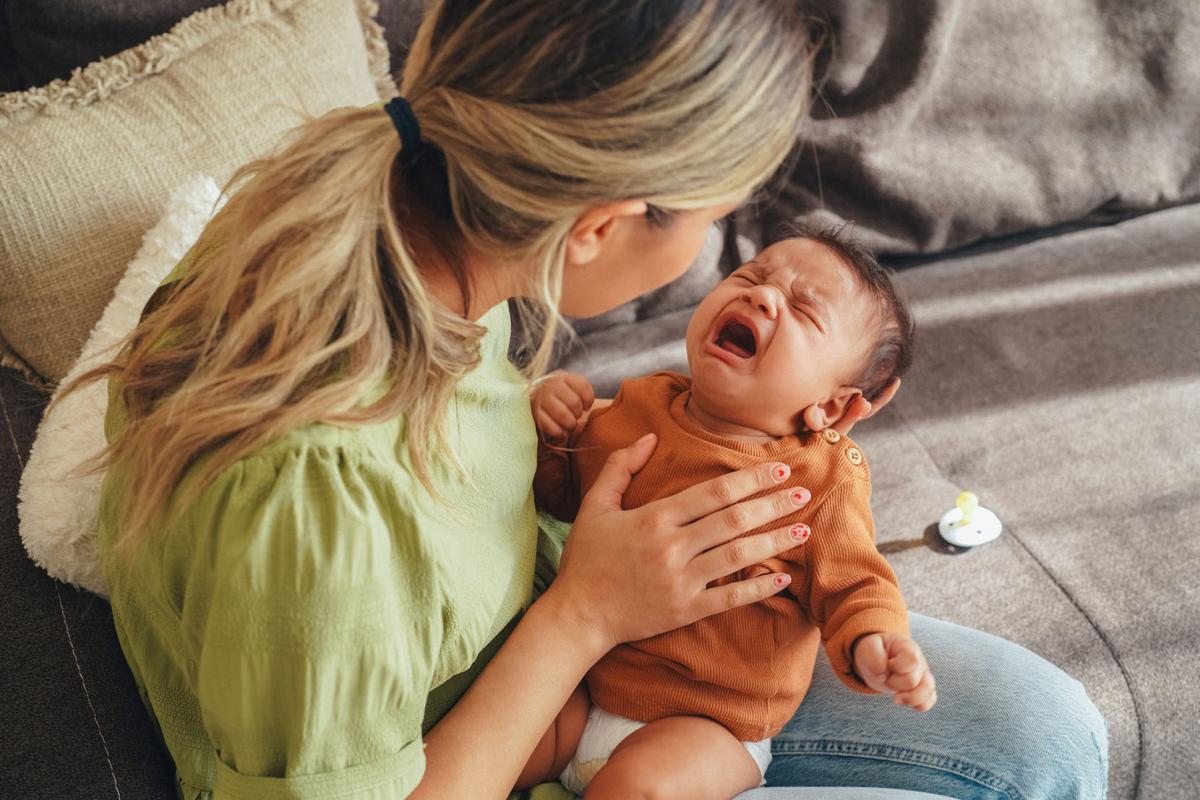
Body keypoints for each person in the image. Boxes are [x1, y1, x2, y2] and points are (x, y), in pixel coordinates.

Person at [57, 1, 1108, 798]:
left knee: (1052, 729)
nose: (722, 269)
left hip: (607, 630)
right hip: (504, 713)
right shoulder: (317, 504)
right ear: (601, 225)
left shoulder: (405, 223)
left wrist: (532, 421)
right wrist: (588, 612)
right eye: (719, 228)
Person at [523, 229, 932, 798]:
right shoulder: (640, 404)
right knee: (506, 742)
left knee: (641, 785)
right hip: (587, 683)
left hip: (708, 724)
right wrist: (550, 428)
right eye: (751, 276)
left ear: (833, 405)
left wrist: (875, 642)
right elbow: (562, 494)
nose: (762, 298)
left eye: (804, 310)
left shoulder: (821, 479)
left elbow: (856, 581)